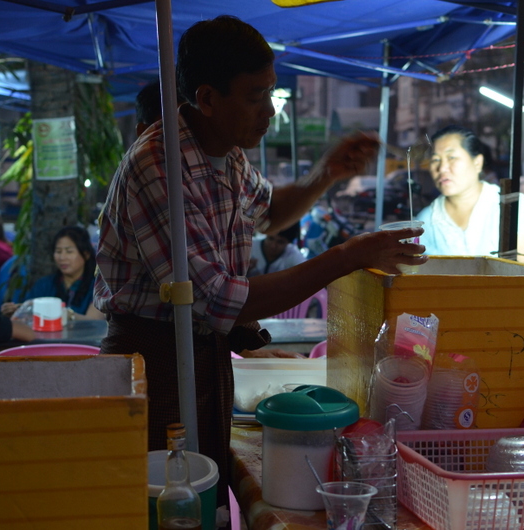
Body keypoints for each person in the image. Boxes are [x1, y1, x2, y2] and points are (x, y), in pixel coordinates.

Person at [94, 15, 425, 512]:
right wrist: (347, 255)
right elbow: (218, 299)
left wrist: (325, 174)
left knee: (205, 498)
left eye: (270, 93)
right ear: (206, 99)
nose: (269, 111)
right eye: (255, 97)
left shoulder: (223, 152)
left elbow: (270, 213)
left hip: (201, 357)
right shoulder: (158, 164)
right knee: (168, 506)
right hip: (156, 361)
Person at [416, 125, 524, 266]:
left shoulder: (512, 206)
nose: (442, 168)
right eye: (435, 160)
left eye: (451, 157)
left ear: (477, 162)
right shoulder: (425, 221)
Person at [2, 226, 104, 320]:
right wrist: (17, 313)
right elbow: (28, 316)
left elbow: (94, 322)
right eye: (58, 251)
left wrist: (68, 315)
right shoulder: (43, 285)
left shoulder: (99, 287)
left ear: (86, 255)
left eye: (69, 251)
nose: (62, 257)